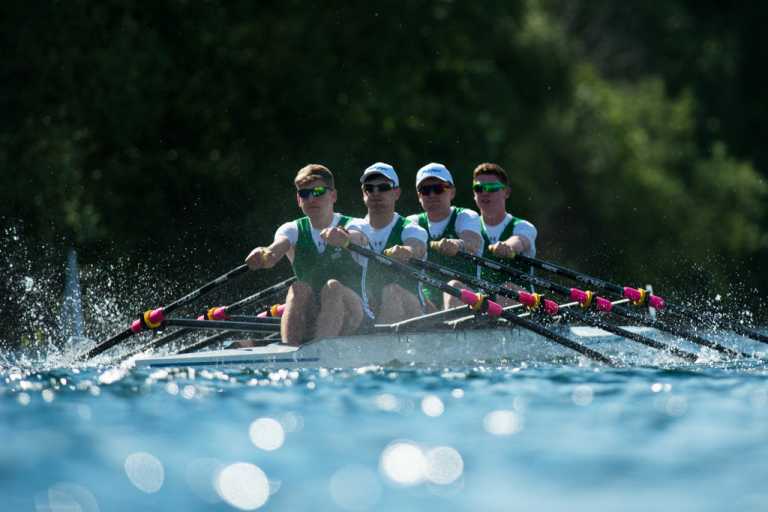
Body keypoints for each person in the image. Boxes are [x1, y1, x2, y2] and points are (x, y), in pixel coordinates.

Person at [244, 164, 367, 345]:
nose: (311, 198)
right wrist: (262, 254)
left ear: (333, 195)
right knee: (298, 287)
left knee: (332, 287)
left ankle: (319, 348)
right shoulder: (291, 229)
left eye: (318, 191)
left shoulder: (355, 224)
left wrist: (344, 237)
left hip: (354, 314)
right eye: (304, 194)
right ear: (298, 200)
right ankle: (291, 350)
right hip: (312, 314)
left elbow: (359, 238)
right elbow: (273, 252)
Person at [326, 162, 428, 324]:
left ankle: (381, 343)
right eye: (369, 188)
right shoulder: (356, 226)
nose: (375, 193)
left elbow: (417, 246)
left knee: (391, 291)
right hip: (369, 312)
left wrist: (407, 250)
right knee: (331, 287)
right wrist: (342, 237)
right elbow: (356, 236)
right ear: (363, 193)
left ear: (396, 193)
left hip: (412, 313)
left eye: (383, 187)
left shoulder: (411, 229)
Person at [406, 162, 482, 310]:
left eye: (438, 188)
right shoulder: (412, 222)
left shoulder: (465, 216)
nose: (432, 195)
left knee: (452, 287)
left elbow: (473, 242)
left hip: (468, 298)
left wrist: (458, 245)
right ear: (419, 196)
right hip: (428, 302)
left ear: (452, 192)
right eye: (425, 190)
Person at [472, 162, 537, 286]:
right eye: (479, 188)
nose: (485, 193)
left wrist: (508, 246)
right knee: (453, 285)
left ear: (506, 192)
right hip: (484, 302)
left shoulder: (523, 227)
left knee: (508, 287)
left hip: (521, 302)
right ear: (474, 194)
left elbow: (519, 241)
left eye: (492, 188)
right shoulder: (469, 228)